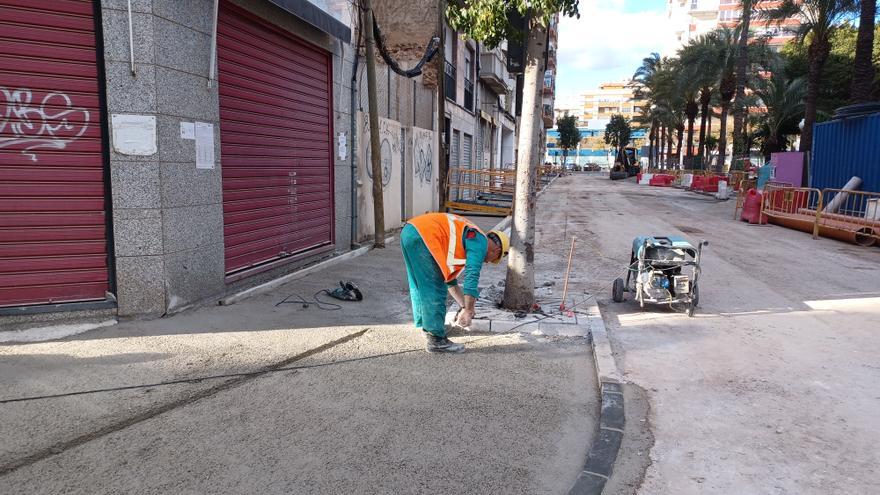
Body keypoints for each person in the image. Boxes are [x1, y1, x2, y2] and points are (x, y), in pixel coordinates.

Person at [400, 213, 509, 353]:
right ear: (497, 250)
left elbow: (450, 281)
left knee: (421, 283)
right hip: (424, 235)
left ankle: (429, 327)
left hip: (411, 231)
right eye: (491, 259)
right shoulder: (480, 243)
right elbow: (471, 277)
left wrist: (464, 306)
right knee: (435, 287)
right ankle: (436, 340)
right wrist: (469, 310)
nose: (487, 262)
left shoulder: (468, 236)